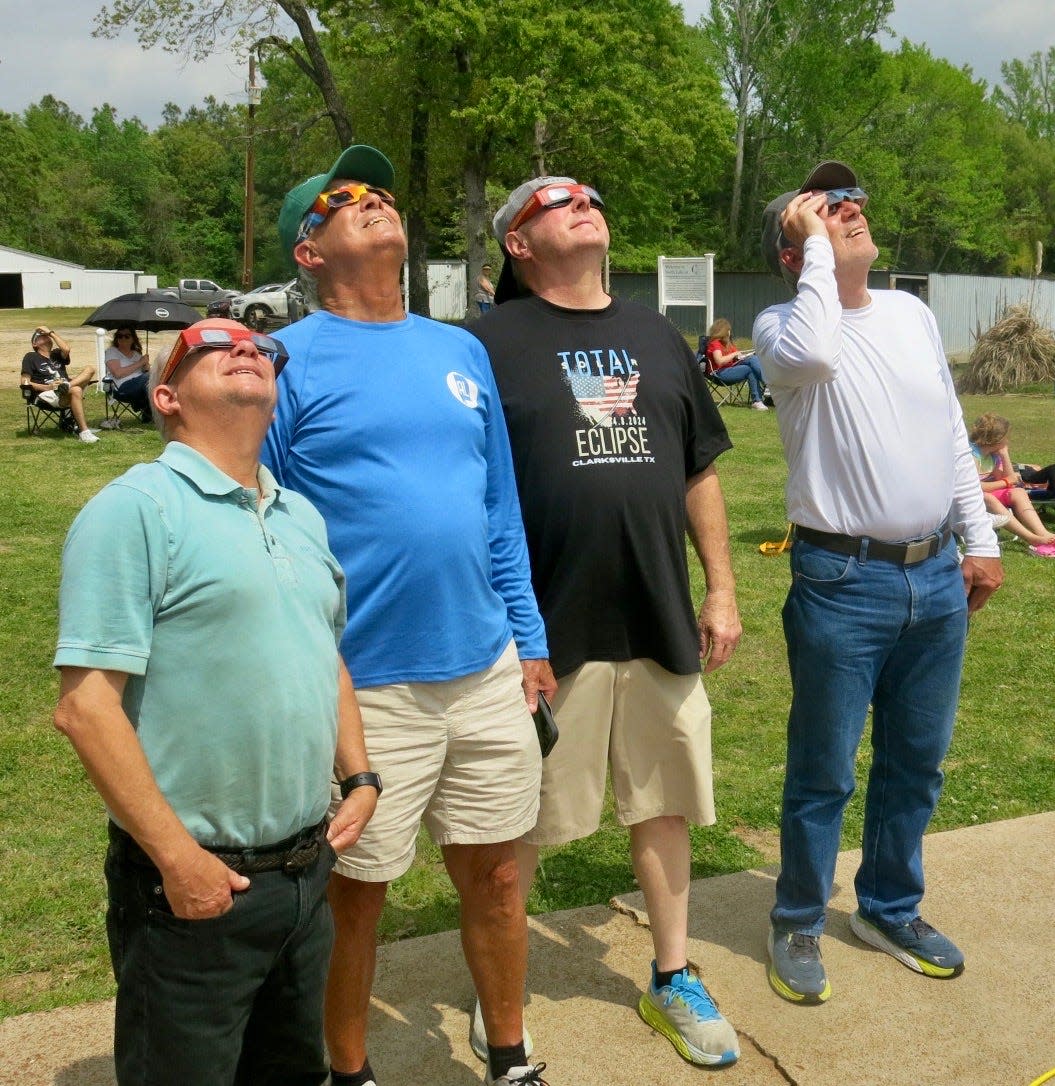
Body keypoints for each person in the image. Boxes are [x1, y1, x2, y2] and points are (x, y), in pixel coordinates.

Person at [264, 145, 554, 1086]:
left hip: (483, 669)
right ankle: (348, 1074)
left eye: (380, 189)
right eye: (342, 197)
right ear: (307, 251)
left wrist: (531, 643)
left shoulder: (458, 348)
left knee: (500, 879)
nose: (372, 198)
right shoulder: (283, 360)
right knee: (357, 899)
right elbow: (253, 523)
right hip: (362, 683)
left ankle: (509, 1060)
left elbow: (498, 512)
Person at [52, 317, 378, 1085]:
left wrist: (358, 776)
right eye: (210, 346)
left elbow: (321, 652)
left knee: (291, 1073)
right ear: (165, 396)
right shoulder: (135, 510)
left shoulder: (300, 515)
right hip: (196, 888)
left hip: (304, 875)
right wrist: (177, 859)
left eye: (258, 348)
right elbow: (86, 708)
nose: (244, 349)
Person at [471, 176, 743, 1068]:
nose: (580, 202)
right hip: (546, 625)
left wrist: (721, 588)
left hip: (656, 610)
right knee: (524, 815)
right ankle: (501, 992)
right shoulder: (482, 345)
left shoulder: (656, 336)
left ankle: (673, 976)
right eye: (555, 200)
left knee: (663, 802)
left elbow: (699, 469)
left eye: (588, 195)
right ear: (518, 241)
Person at [753, 161, 1004, 1005]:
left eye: (851, 201)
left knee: (917, 763)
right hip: (840, 578)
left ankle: (888, 908)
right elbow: (816, 350)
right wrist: (817, 251)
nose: (848, 212)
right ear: (794, 253)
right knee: (823, 767)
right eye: (825, 209)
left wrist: (980, 538)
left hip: (933, 574)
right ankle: (796, 918)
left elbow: (947, 430)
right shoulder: (777, 327)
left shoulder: (910, 314)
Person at [968, 412, 1055, 556]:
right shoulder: (972, 455)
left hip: (989, 491)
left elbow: (1009, 481)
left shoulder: (993, 455)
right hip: (972, 496)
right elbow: (976, 487)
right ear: (997, 439)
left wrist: (1004, 455)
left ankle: (1042, 532)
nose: (1008, 441)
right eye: (1006, 438)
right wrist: (1006, 482)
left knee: (1018, 492)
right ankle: (1031, 538)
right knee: (988, 498)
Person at [20, 326, 98, 442]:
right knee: (76, 390)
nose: (46, 338)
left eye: (47, 336)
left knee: (90, 369)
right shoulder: (31, 357)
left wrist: (51, 333)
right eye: (42, 337)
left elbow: (66, 349)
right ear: (34, 344)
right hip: (48, 394)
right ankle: (84, 432)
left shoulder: (56, 354)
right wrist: (48, 387)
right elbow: (24, 382)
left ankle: (67, 385)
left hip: (65, 388)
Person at [702, 317, 769, 409]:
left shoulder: (728, 344)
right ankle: (767, 385)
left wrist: (740, 356)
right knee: (749, 369)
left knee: (752, 359)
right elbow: (720, 361)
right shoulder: (715, 343)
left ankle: (760, 395)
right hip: (719, 373)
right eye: (729, 330)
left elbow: (737, 357)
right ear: (724, 331)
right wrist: (734, 354)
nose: (730, 333)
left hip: (730, 369)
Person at [104, 325, 152, 422]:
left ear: (133, 339)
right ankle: (150, 411)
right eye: (120, 336)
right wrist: (140, 363)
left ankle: (148, 411)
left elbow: (146, 371)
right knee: (151, 377)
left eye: (127, 336)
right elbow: (118, 373)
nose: (123, 338)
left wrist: (146, 364)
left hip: (141, 388)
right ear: (116, 338)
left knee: (156, 376)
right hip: (122, 389)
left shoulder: (137, 355)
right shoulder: (112, 352)